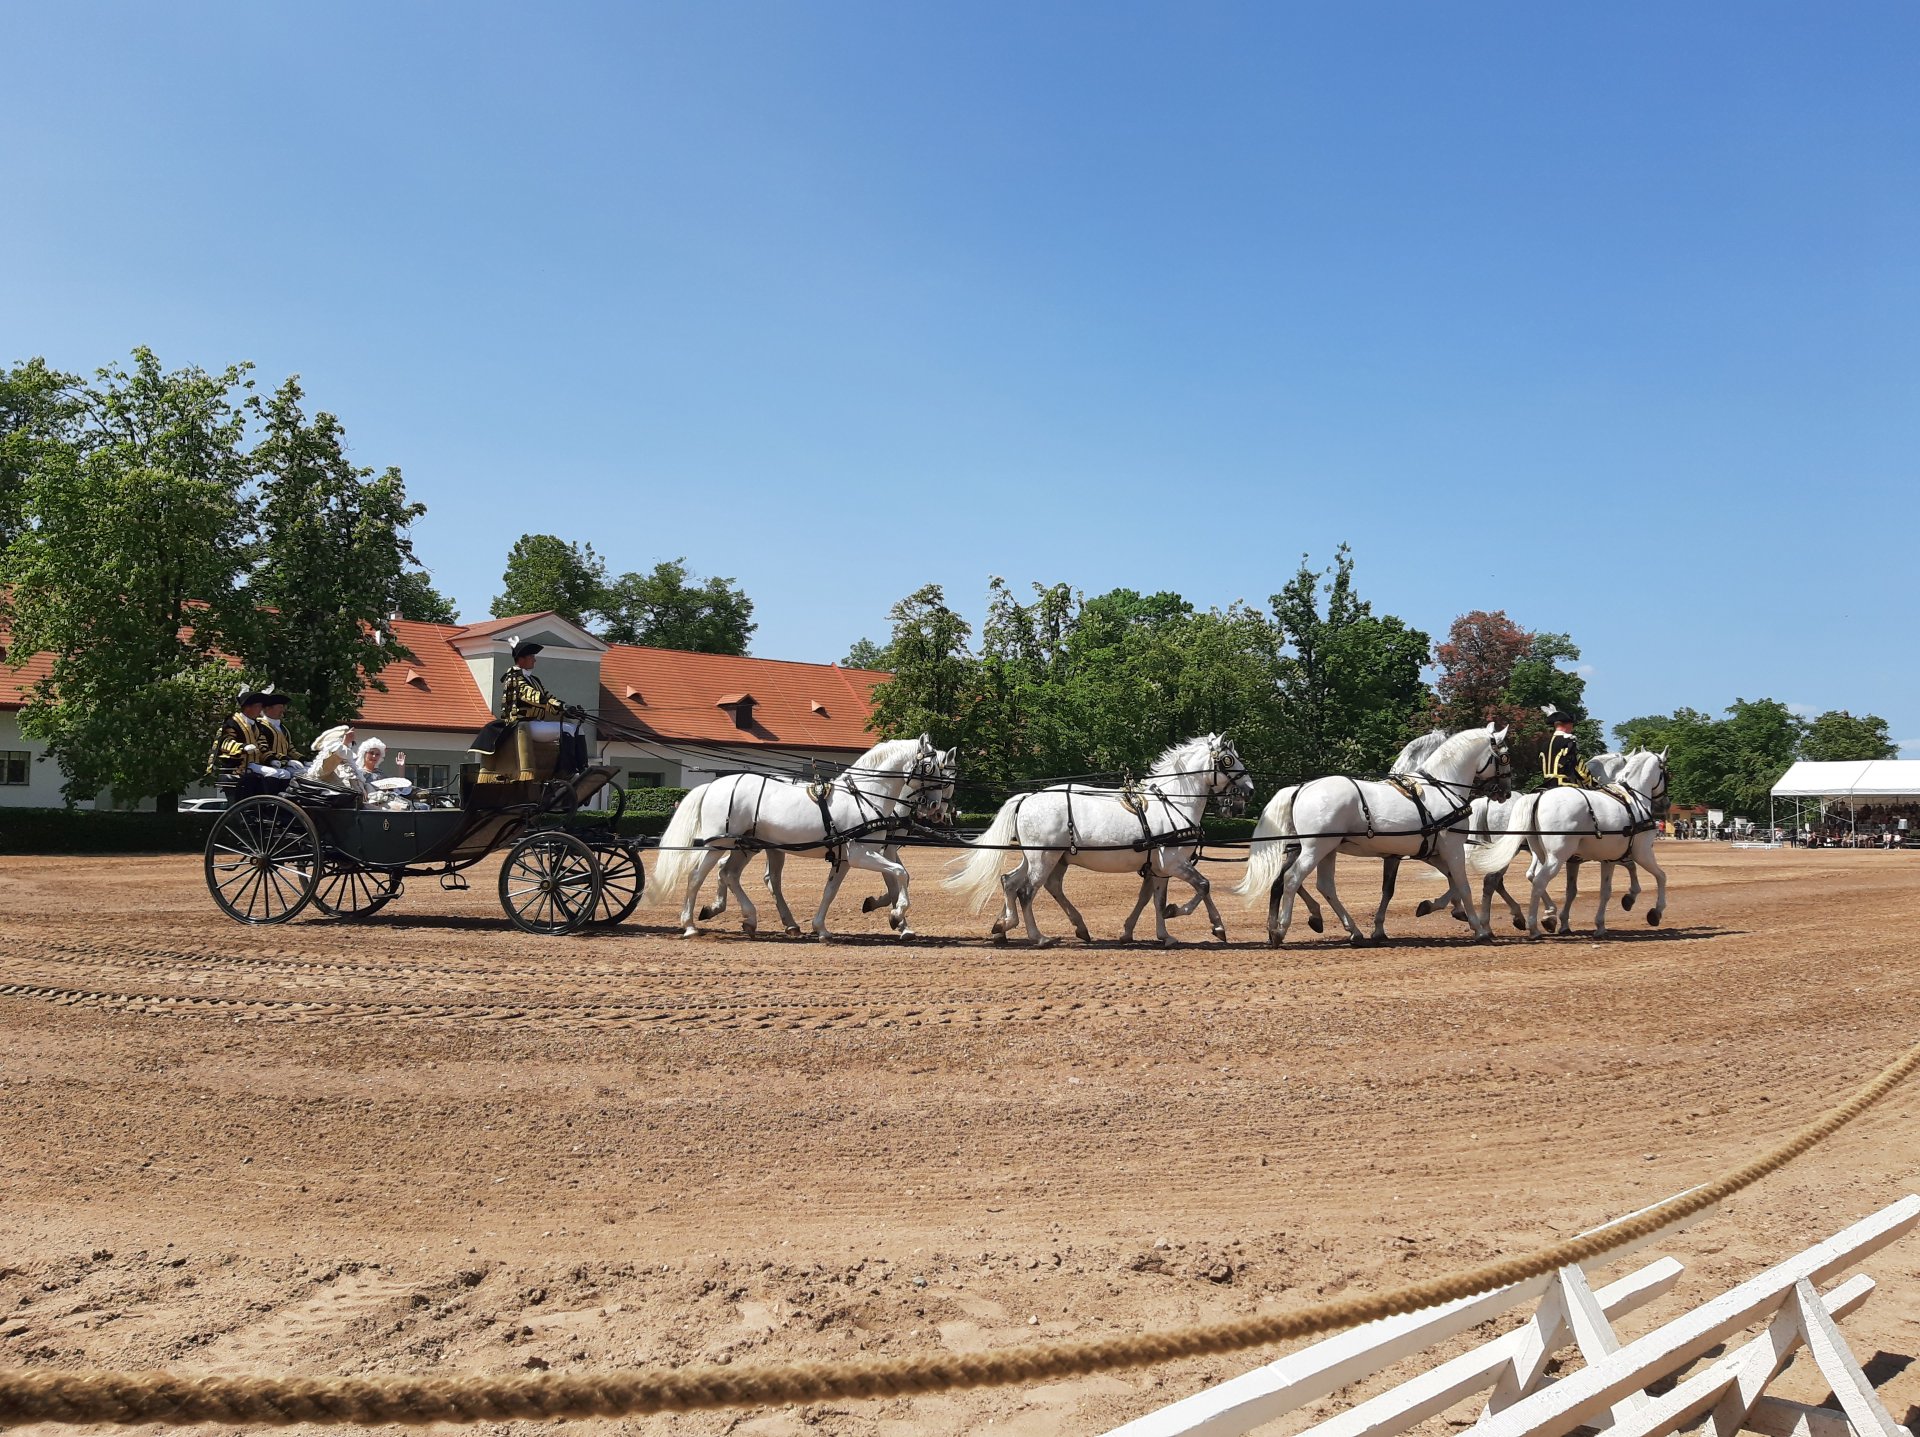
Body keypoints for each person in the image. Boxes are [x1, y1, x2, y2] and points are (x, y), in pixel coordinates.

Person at [469, 638, 586, 776]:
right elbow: (533, 697)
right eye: (532, 657)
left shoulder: (534, 679)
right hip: (520, 724)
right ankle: (567, 770)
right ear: (521, 659)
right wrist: (562, 706)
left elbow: (548, 698)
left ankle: (582, 767)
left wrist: (568, 711)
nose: (534, 660)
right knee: (567, 729)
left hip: (535, 723)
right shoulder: (513, 678)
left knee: (578, 728)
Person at [211, 690, 282, 798]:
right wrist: (243, 747)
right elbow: (225, 742)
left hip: (254, 764)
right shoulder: (232, 722)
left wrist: (271, 759)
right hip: (239, 766)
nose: (260, 710)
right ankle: (266, 804)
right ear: (248, 708)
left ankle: (278, 804)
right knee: (272, 773)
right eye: (258, 706)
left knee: (284, 774)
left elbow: (262, 746)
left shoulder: (256, 725)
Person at [1539, 704, 1594, 788]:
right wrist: (1590, 782)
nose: (1572, 727)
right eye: (1571, 724)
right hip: (1565, 784)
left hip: (1546, 785)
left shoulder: (1545, 744)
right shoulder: (1568, 741)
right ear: (1567, 725)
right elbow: (1578, 766)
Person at [255, 690, 303, 780]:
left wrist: (302, 759)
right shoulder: (259, 726)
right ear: (267, 709)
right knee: (294, 774)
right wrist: (284, 760)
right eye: (280, 707)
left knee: (308, 772)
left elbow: (291, 749)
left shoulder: (283, 728)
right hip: (268, 764)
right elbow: (263, 748)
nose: (283, 710)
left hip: (284, 764)